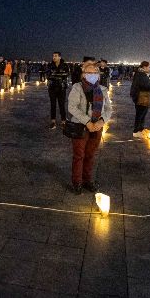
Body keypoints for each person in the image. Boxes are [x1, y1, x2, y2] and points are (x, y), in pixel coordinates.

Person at [66, 62, 112, 194]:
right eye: (88, 73)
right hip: (80, 126)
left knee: (90, 155)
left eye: (94, 73)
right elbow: (72, 107)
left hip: (97, 127)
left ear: (98, 75)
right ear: (83, 75)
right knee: (79, 155)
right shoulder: (77, 87)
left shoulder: (103, 90)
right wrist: (87, 122)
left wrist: (102, 121)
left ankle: (88, 180)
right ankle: (77, 182)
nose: (92, 75)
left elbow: (108, 109)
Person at [130, 61, 150, 137]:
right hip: (141, 98)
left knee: (141, 114)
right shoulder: (141, 75)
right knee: (140, 115)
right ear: (144, 67)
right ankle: (136, 131)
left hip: (141, 97)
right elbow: (147, 86)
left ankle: (140, 129)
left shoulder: (140, 74)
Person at [46, 52, 70, 129]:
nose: (54, 57)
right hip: (52, 88)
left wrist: (55, 74)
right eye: (53, 56)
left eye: (55, 56)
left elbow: (67, 74)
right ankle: (53, 122)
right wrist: (59, 74)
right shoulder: (50, 65)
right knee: (53, 105)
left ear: (60, 57)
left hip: (61, 88)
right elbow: (48, 75)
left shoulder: (65, 65)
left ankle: (63, 121)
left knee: (62, 105)